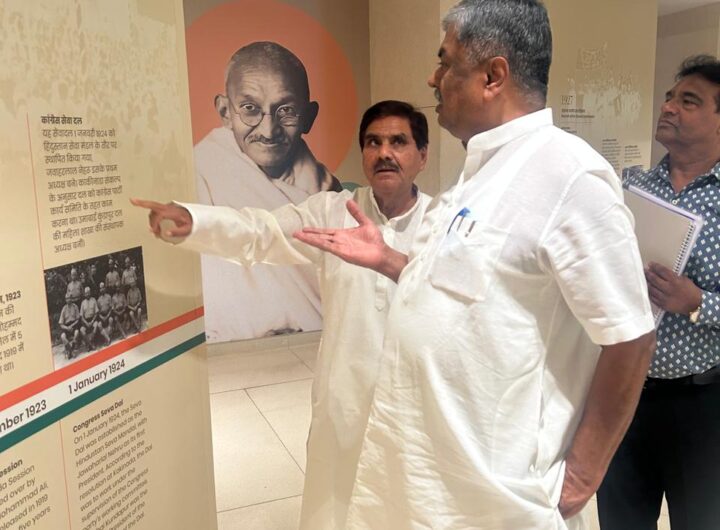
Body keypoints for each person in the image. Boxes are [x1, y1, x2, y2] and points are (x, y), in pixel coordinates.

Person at [294, 1, 656, 528]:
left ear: (493, 76)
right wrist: (391, 260)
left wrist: (581, 474)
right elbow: (471, 293)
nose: (433, 78)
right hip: (430, 478)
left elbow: (630, 337)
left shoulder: (570, 175)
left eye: (445, 62)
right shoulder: (479, 172)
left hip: (496, 496)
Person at [132, 100, 432, 530]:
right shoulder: (333, 211)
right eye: (373, 142)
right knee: (339, 507)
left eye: (398, 142)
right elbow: (262, 232)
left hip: (415, 404)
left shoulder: (442, 224)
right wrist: (195, 221)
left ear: (422, 155)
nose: (384, 153)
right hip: (345, 400)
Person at [597, 55, 720, 530]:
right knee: (620, 521)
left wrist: (697, 302)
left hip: (701, 405)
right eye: (670, 97)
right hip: (623, 394)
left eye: (689, 101)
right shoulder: (630, 188)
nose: (668, 107)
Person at [195, 41, 342, 341]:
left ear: (309, 116)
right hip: (230, 348)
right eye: (250, 109)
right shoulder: (201, 172)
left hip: (315, 345)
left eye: (286, 111)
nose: (268, 130)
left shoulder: (329, 192)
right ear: (225, 111)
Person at [58, 293, 80, 359]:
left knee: (76, 333)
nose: (68, 300)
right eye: (67, 299)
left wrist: (72, 326)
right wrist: (67, 328)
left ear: (71, 299)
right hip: (66, 327)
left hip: (74, 325)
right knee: (63, 336)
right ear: (65, 300)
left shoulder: (75, 307)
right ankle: (71, 350)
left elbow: (78, 319)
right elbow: (61, 324)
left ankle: (71, 349)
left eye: (69, 298)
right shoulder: (64, 309)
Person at [79, 286, 100, 351]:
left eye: (88, 293)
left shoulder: (94, 300)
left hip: (93, 319)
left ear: (90, 293)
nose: (87, 294)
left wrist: (92, 321)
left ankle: (89, 343)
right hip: (85, 321)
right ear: (84, 294)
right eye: (86, 293)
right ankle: (91, 344)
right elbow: (81, 316)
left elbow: (96, 313)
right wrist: (86, 323)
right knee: (82, 330)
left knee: (96, 325)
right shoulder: (83, 303)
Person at [96, 282, 113, 346]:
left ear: (105, 288)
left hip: (109, 314)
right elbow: (98, 312)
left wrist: (108, 315)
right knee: (99, 325)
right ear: (99, 290)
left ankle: (107, 338)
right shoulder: (98, 300)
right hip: (102, 316)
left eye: (103, 288)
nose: (102, 289)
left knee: (111, 320)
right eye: (101, 288)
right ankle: (108, 338)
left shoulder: (109, 296)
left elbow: (111, 308)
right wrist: (102, 317)